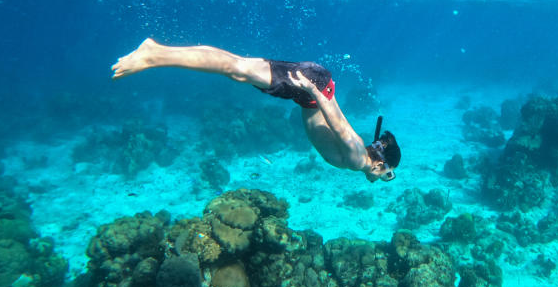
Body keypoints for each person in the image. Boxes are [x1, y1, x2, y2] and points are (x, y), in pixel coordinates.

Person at [111, 38, 400, 182]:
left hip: (312, 92)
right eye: (387, 175)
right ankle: (153, 55)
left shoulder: (359, 157)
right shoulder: (354, 158)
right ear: (381, 164)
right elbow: (337, 123)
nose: (381, 180)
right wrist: (311, 89)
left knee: (238, 69)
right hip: (311, 89)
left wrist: (312, 92)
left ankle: (157, 53)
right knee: (237, 68)